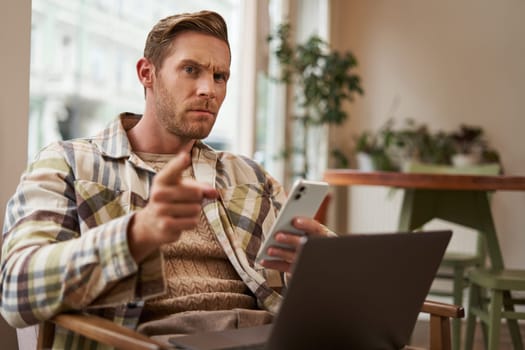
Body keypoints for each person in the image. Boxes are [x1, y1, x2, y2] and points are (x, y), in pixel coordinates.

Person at [0, 10, 330, 348]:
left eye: (220, 76)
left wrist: (325, 263)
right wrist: (136, 235)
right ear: (147, 73)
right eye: (191, 70)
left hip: (267, 337)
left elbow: (307, 293)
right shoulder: (68, 164)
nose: (209, 89)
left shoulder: (250, 176)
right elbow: (16, 290)